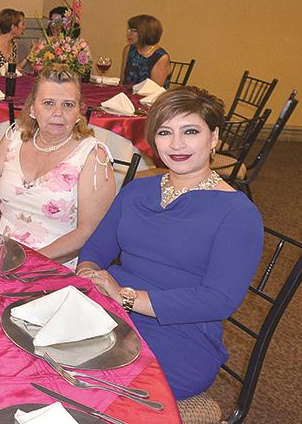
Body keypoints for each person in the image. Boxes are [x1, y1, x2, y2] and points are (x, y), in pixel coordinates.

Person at [77, 87, 263, 399]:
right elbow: (96, 250)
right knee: (35, 351)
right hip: (109, 310)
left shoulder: (238, 214)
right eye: (165, 132)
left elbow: (218, 300)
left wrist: (127, 298)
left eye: (190, 131)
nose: (176, 144)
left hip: (180, 336)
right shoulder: (137, 191)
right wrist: (88, 276)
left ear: (214, 137)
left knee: (86, 384)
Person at [0, 65, 115, 266]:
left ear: (79, 111)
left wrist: (28, 262)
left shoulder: (93, 156)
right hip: (0, 256)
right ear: (32, 108)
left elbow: (88, 232)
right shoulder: (13, 139)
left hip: (53, 266)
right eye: (48, 103)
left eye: (68, 105)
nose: (58, 112)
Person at [121, 14, 170, 88]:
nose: (128, 33)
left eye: (133, 31)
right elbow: (123, 81)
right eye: (128, 29)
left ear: (144, 33)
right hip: (128, 95)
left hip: (150, 98)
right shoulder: (128, 50)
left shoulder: (161, 57)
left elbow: (154, 90)